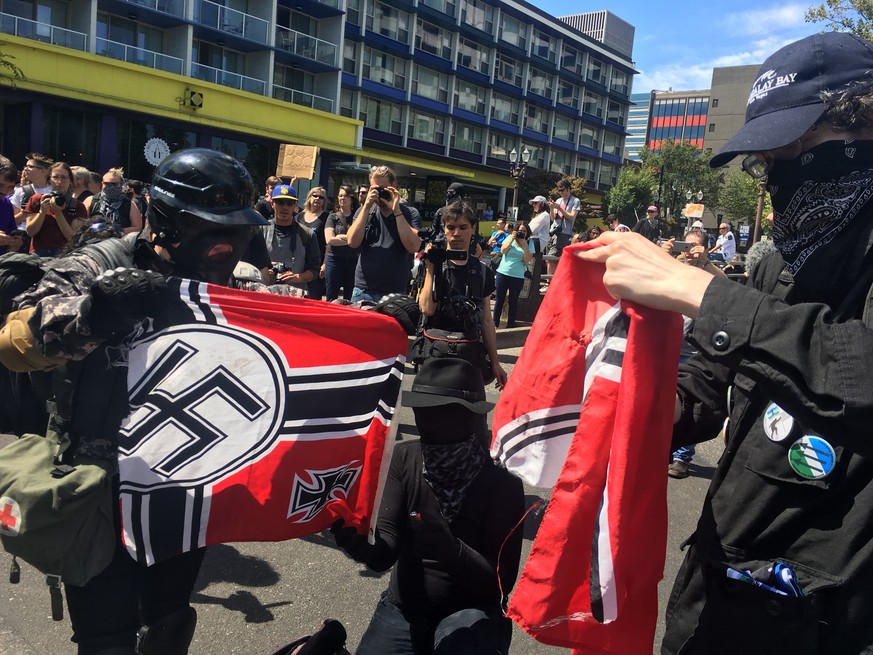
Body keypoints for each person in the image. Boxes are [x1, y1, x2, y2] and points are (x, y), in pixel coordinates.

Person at [579, 32, 873, 654]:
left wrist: (700, 292)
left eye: (797, 146)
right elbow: (703, 396)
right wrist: (607, 397)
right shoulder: (779, 263)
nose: (775, 172)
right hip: (718, 589)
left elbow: (859, 373)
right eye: (767, 157)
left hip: (817, 618)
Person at [0, 148, 268, 654]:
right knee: (107, 641)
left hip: (182, 485)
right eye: (209, 226)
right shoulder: (100, 262)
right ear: (166, 219)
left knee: (168, 627)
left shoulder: (224, 285)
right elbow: (14, 341)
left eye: (236, 228)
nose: (226, 243)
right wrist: (94, 313)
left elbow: (280, 349)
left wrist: (377, 330)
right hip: (100, 487)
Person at [330, 357, 525, 655]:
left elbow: (500, 583)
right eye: (421, 410)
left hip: (472, 608)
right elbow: (387, 550)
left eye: (439, 412)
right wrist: (364, 547)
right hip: (404, 609)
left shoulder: (502, 485)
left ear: (469, 417)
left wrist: (453, 551)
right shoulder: (405, 458)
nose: (426, 421)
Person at [417, 201, 507, 389]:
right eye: (451, 227)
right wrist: (431, 267)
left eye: (463, 227)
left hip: (468, 358)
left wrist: (495, 362)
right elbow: (426, 308)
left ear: (473, 228)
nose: (456, 233)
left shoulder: (482, 272)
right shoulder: (432, 265)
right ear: (444, 229)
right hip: (434, 357)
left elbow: (487, 321)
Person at [660, 229, 726, 480]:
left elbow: (727, 288)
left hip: (695, 351)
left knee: (690, 400)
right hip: (667, 347)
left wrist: (706, 262)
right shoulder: (672, 267)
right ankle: (663, 448)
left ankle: (682, 458)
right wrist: (663, 255)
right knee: (664, 403)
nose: (689, 251)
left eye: (695, 246)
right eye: (684, 245)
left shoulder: (709, 272)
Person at [346, 165, 421, 302]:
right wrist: (367, 206)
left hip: (395, 291)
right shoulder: (363, 212)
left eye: (384, 189)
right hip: (363, 289)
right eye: (375, 189)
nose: (380, 194)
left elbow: (414, 246)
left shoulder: (410, 213)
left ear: (394, 186)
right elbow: (352, 241)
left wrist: (396, 211)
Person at [263, 183, 320, 295]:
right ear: (272, 203)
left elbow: (315, 270)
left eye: (289, 203)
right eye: (280, 202)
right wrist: (263, 271)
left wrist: (298, 277)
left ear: (294, 206)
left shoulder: (307, 234)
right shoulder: (260, 231)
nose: (285, 207)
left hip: (295, 295)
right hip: (265, 294)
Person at [22, 161, 89, 256]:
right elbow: (31, 232)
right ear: (49, 179)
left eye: (64, 177)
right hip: (39, 254)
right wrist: (42, 212)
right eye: (55, 177)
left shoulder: (77, 206)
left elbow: (73, 238)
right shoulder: (37, 200)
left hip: (64, 255)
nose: (59, 182)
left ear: (70, 181)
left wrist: (58, 213)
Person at [492, 221, 532, 330]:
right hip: (503, 272)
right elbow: (503, 250)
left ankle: (511, 323)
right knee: (499, 299)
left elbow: (527, 259)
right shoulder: (510, 237)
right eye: (520, 230)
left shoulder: (529, 242)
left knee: (513, 300)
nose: (522, 233)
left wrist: (524, 244)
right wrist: (512, 239)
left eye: (524, 231)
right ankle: (494, 322)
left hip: (517, 275)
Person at [324, 185, 360, 301]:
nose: (342, 198)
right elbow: (329, 240)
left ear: (352, 199)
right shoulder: (332, 217)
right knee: (331, 297)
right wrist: (351, 239)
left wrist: (340, 237)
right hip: (334, 260)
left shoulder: (358, 217)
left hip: (353, 261)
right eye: (340, 195)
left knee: (350, 298)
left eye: (345, 196)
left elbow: (361, 238)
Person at [86, 168, 144, 235]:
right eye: (107, 184)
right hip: (93, 241)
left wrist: (116, 231)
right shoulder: (91, 200)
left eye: (115, 184)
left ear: (121, 184)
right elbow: (81, 224)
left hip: (119, 242)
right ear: (102, 184)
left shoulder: (129, 204)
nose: (111, 187)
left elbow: (137, 227)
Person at [297, 186, 330, 299]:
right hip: (298, 260)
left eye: (321, 197)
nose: (317, 199)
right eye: (314, 196)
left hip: (316, 262)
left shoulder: (327, 217)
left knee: (314, 296)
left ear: (324, 201)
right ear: (309, 198)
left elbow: (328, 244)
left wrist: (325, 263)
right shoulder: (300, 216)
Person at [545, 179, 579, 276]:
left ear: (568, 189)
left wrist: (559, 208)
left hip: (564, 232)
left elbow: (572, 217)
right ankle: (550, 282)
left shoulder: (575, 201)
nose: (560, 192)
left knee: (552, 257)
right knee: (549, 258)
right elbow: (552, 218)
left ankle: (549, 283)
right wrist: (551, 208)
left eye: (562, 190)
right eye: (559, 190)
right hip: (553, 230)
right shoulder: (558, 200)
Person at [11, 152, 52, 221]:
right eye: (26, 166)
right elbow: (11, 222)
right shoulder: (21, 191)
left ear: (44, 171)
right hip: (23, 230)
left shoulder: (54, 191)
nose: (26, 169)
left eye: (31, 167)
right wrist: (24, 214)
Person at [0, 156, 23, 255]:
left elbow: (11, 233)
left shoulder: (6, 203)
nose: (4, 191)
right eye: (0, 185)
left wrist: (14, 243)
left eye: (10, 187)